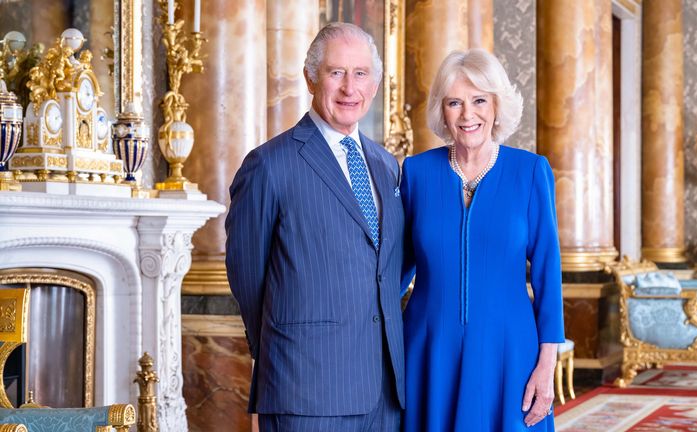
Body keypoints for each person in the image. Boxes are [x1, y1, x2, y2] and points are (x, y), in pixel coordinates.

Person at [225, 22, 405, 432]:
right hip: (305, 389)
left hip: (384, 391)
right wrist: (281, 351)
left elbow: (386, 267)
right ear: (311, 77)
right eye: (336, 72)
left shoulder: (384, 165)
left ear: (374, 85)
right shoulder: (269, 165)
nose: (349, 88)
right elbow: (247, 276)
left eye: (360, 74)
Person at [400, 49, 565, 431]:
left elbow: (547, 274)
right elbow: (394, 270)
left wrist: (547, 363)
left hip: (509, 351)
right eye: (454, 102)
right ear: (442, 111)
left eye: (478, 101)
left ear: (496, 105)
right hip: (429, 350)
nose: (467, 114)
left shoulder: (530, 171)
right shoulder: (416, 173)